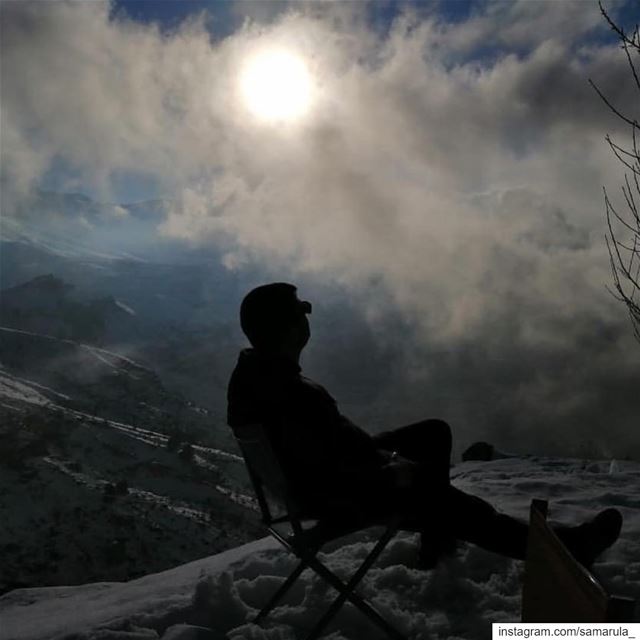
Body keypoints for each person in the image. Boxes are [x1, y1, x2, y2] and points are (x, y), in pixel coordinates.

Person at [227, 282, 622, 568]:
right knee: (453, 504)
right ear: (287, 327)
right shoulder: (297, 396)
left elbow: (326, 450)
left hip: (319, 482)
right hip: (342, 495)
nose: (307, 313)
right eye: (302, 309)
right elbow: (336, 464)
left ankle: (439, 537)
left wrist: (383, 457)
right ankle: (566, 547)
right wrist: (395, 474)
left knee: (433, 432)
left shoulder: (253, 377)